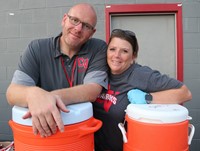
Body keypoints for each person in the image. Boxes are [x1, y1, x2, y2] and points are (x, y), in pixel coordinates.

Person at [6, 3, 108, 138]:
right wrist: (33, 94)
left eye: (86, 26)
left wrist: (48, 98)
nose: (78, 28)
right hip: (45, 135)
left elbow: (92, 90)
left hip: (80, 132)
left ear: (92, 33)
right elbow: (12, 93)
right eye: (75, 20)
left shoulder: (98, 48)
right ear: (64, 19)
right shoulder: (37, 48)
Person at [93, 29, 192, 151]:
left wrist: (147, 98)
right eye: (112, 49)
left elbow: (185, 93)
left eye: (124, 51)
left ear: (133, 55)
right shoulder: (99, 71)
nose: (116, 55)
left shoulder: (140, 74)